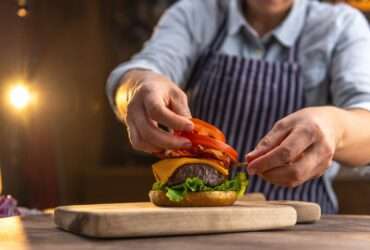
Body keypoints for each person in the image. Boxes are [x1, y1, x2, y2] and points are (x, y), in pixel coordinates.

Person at [106, 0, 370, 213]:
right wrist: (137, 88)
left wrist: (334, 127)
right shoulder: (195, 12)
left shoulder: (341, 25)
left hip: (301, 222)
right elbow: (141, 71)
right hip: (196, 223)